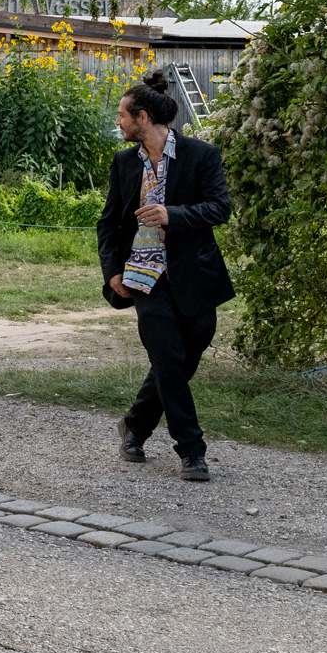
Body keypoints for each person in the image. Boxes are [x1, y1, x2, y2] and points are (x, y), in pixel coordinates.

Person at [99, 70, 235, 483]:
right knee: (169, 361)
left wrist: (171, 215)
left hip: (195, 277)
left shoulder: (200, 156)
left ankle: (136, 425)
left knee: (180, 362)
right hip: (144, 278)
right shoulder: (124, 163)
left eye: (123, 115)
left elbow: (219, 209)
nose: (118, 122)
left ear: (142, 117)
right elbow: (108, 224)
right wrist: (112, 273)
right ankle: (191, 451)